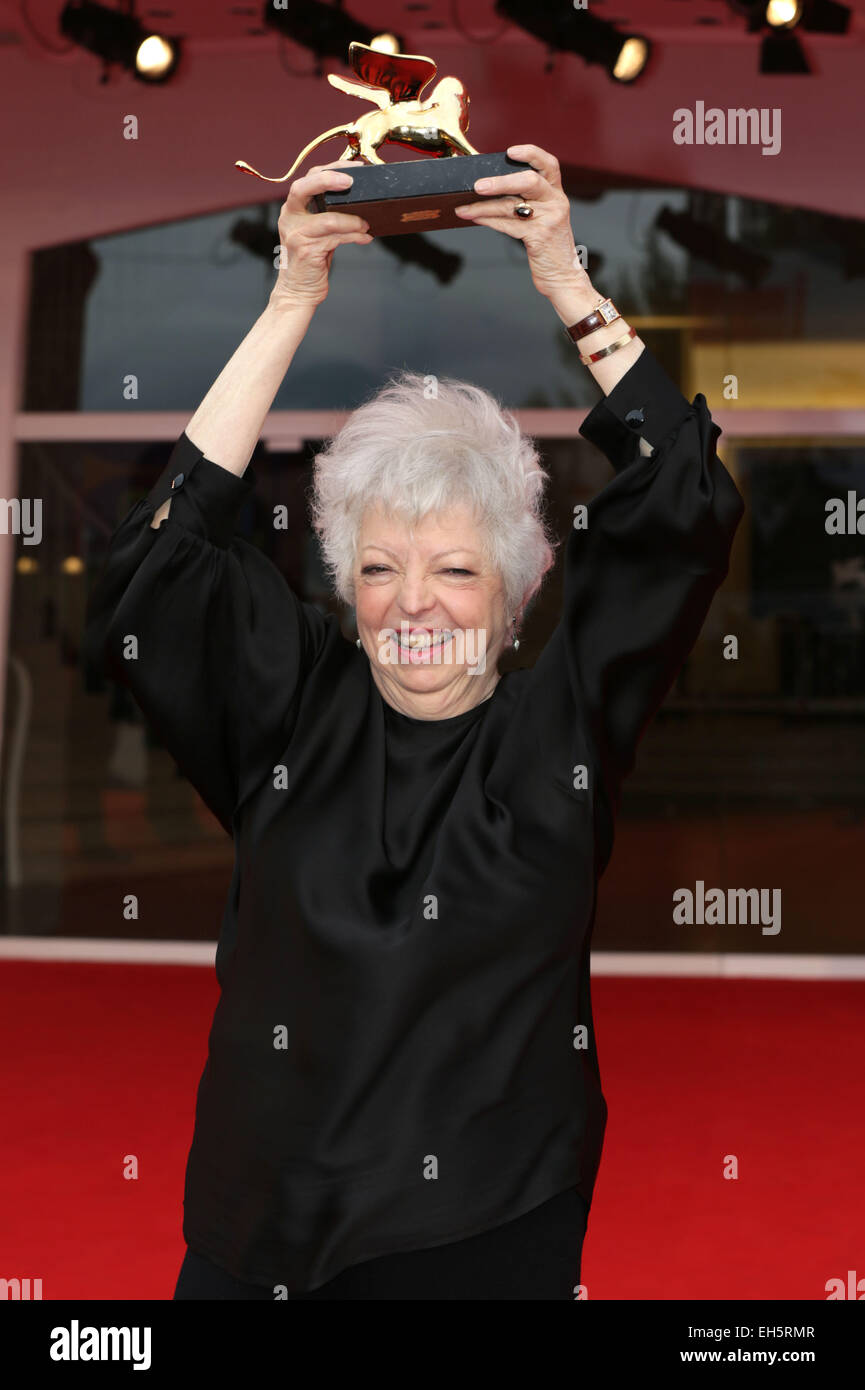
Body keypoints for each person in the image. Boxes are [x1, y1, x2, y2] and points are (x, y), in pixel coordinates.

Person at [83, 144, 744, 1300]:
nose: (416, 602)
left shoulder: (558, 737)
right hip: (256, 1236)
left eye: (453, 566)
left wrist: (564, 278)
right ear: (343, 581)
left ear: (518, 582)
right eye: (380, 567)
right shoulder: (288, 709)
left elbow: (680, 497)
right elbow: (159, 564)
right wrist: (292, 295)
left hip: (479, 1235)